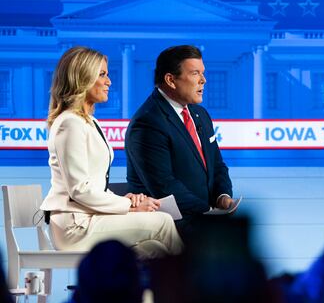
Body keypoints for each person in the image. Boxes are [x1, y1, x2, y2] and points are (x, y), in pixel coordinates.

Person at [40, 47, 183, 257]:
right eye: (102, 75)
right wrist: (129, 206)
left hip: (90, 218)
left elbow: (93, 185)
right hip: (75, 228)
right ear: (82, 78)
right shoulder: (69, 124)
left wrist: (127, 200)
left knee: (155, 250)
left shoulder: (88, 122)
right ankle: (197, 286)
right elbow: (79, 190)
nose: (109, 81)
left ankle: (153, 290)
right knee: (162, 222)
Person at [125, 45, 234, 235]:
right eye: (195, 73)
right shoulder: (148, 122)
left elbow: (217, 165)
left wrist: (222, 197)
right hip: (171, 225)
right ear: (171, 80)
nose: (203, 80)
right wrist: (209, 213)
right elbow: (164, 186)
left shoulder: (200, 114)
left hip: (202, 218)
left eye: (203, 73)